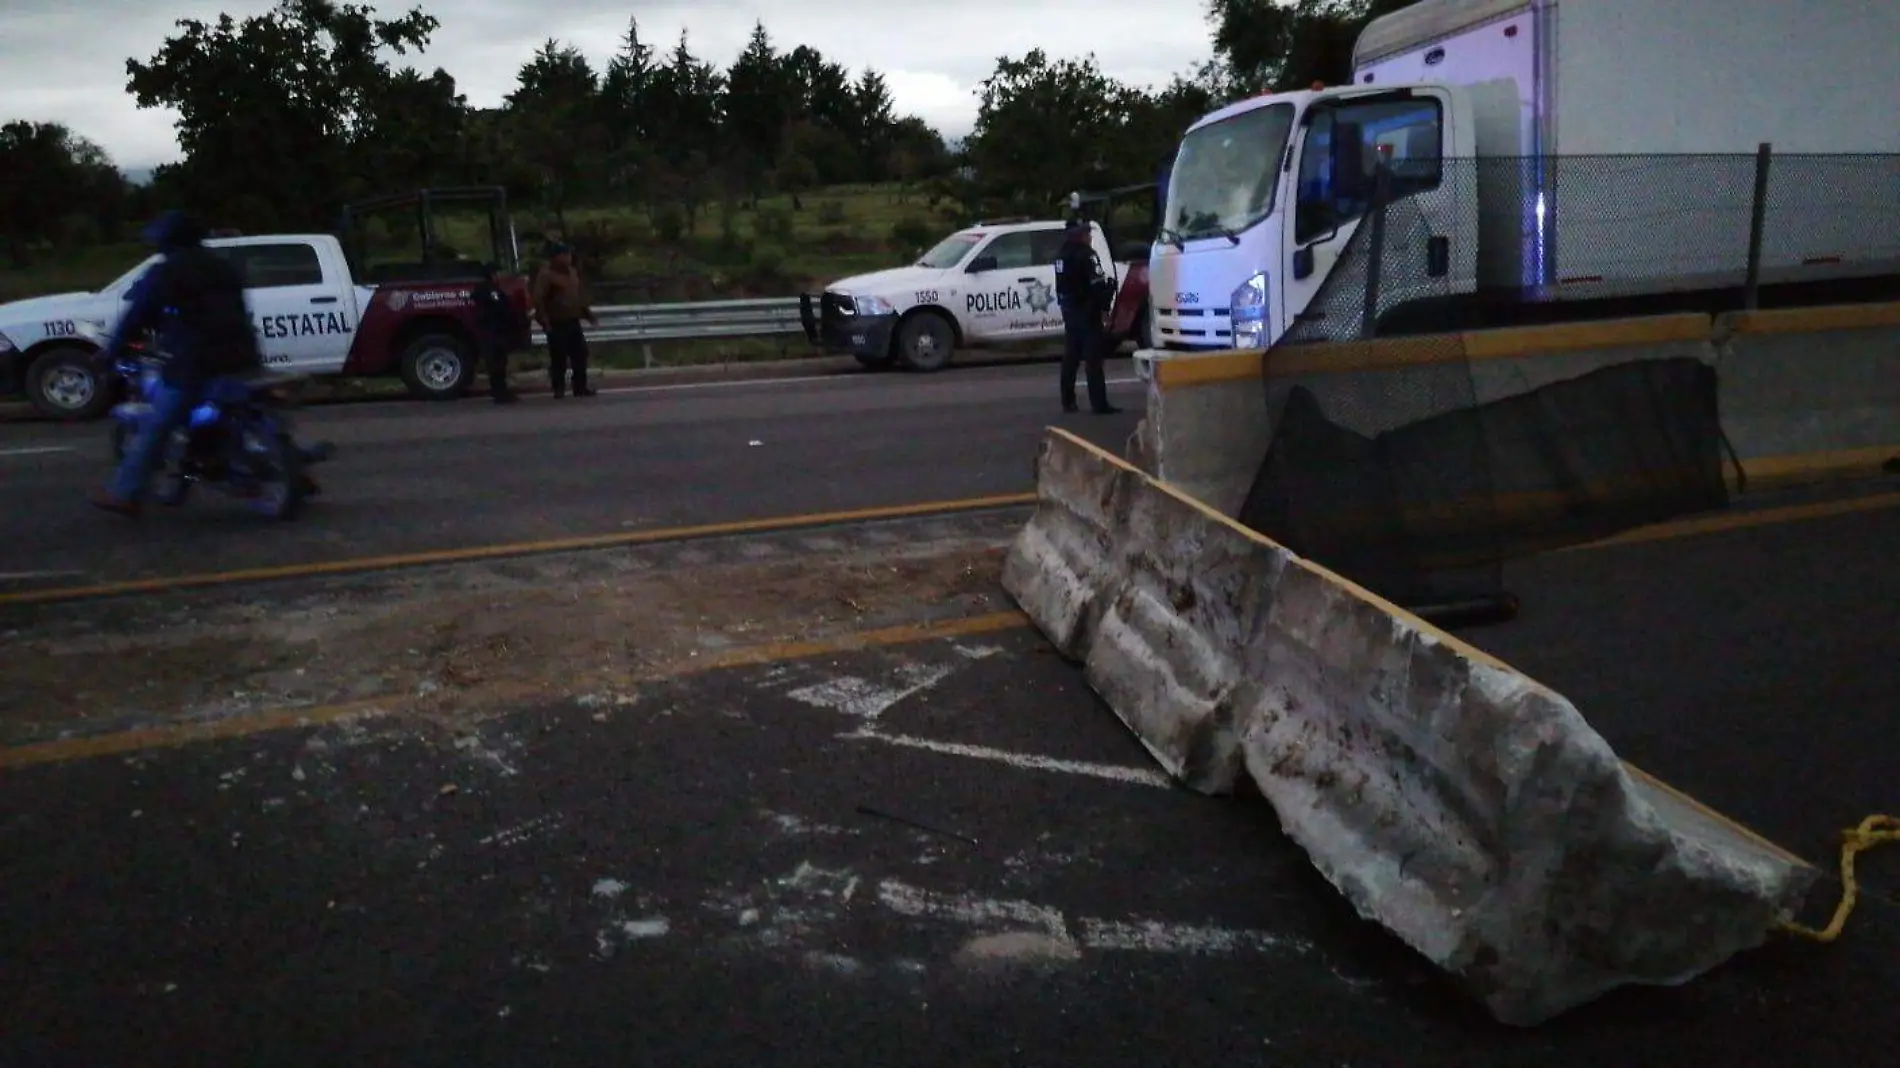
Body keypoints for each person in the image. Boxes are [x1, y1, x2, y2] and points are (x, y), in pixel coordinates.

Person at [91, 210, 264, 517]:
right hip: (243, 355)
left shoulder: (166, 273)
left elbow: (137, 315)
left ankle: (125, 492)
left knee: (159, 424)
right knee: (239, 409)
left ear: (167, 241)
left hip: (196, 362)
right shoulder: (222, 267)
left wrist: (111, 353)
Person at [1053, 218, 1121, 415]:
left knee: (1071, 356)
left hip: (1069, 310)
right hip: (1087, 311)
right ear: (1080, 235)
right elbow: (1097, 285)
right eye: (1086, 233)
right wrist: (1107, 295)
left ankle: (1068, 401)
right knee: (1093, 359)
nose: (1090, 236)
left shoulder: (1061, 255)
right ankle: (1099, 404)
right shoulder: (1087, 255)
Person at [531, 241, 599, 398]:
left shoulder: (572, 272)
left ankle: (580, 387)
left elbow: (577, 297)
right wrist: (545, 322)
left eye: (569, 254)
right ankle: (558, 388)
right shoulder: (547, 274)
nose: (568, 257)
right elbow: (539, 300)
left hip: (573, 319)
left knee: (580, 354)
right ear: (557, 257)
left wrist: (588, 315)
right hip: (556, 322)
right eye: (565, 254)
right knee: (559, 356)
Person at [470, 262, 522, 404]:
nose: (501, 275)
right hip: (492, 331)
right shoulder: (488, 290)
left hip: (496, 330)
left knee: (499, 362)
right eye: (498, 273)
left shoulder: (493, 289)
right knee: (496, 363)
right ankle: (499, 392)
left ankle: (501, 390)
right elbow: (499, 308)